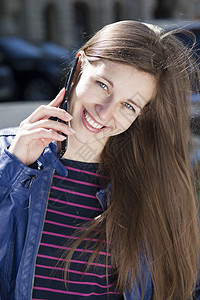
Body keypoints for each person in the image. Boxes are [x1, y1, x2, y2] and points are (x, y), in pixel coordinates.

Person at [0, 20, 199, 300]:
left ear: (141, 113)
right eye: (103, 85)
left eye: (128, 105)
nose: (105, 113)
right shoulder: (7, 155)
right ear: (80, 67)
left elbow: (189, 284)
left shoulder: (155, 184)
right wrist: (12, 170)